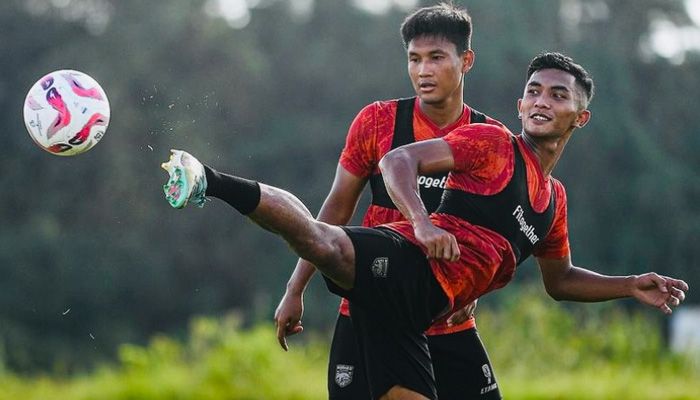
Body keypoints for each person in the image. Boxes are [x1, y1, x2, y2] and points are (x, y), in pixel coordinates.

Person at [160, 52, 689, 400]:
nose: (541, 102)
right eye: (533, 91)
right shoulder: (492, 142)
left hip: (418, 318)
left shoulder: (554, 201)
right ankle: (208, 179)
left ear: (581, 116)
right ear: (520, 102)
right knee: (321, 240)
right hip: (403, 263)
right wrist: (423, 223)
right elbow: (396, 163)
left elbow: (560, 281)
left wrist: (628, 285)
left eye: (557, 95)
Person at [273, 3, 503, 399]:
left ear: (466, 61)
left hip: (446, 322)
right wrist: (296, 288)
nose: (423, 71)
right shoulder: (377, 122)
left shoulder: (491, 138)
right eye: (414, 59)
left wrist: (474, 292)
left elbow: (499, 235)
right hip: (371, 310)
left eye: (436, 58)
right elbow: (335, 210)